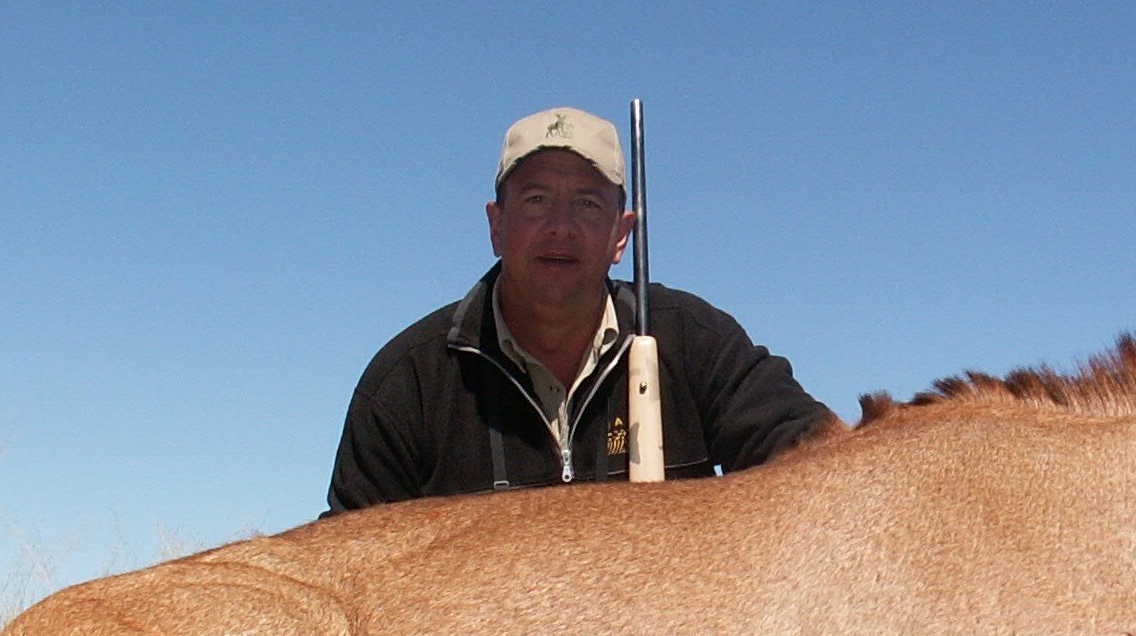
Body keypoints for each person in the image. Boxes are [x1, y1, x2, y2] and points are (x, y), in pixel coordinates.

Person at [329, 107, 834, 510]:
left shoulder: (695, 341)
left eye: (588, 204)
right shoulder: (407, 382)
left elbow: (820, 460)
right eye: (536, 200)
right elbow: (350, 561)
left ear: (621, 236)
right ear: (495, 226)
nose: (561, 227)